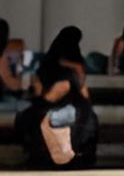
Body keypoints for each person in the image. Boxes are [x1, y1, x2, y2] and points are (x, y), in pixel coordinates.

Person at [16, 26, 97, 169]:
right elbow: (85, 96)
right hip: (75, 113)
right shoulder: (76, 68)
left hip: (45, 111)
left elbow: (38, 93)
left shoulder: (45, 65)